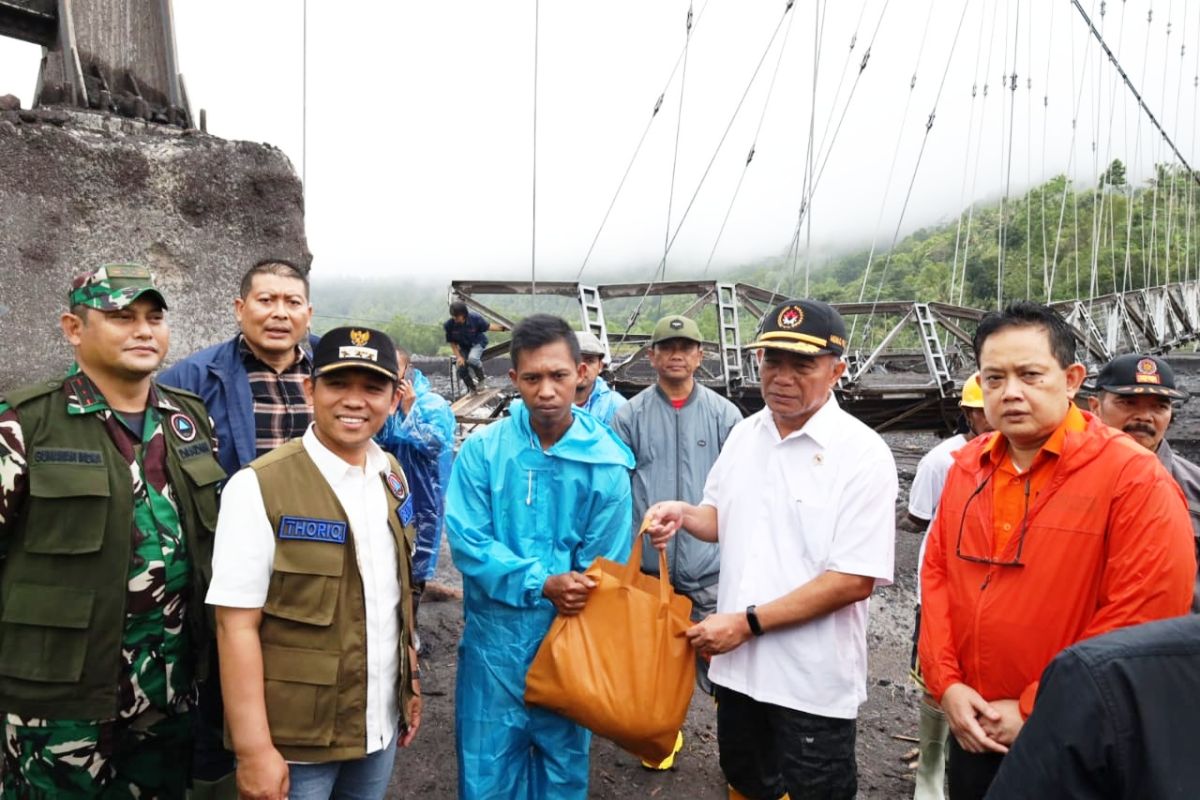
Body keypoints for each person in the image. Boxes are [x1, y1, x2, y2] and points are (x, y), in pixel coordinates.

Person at [918, 301, 1196, 800]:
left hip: (1076, 735)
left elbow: (1143, 614)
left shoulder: (1132, 479)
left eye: (1030, 374)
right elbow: (937, 578)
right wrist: (948, 686)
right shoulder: (967, 468)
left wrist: (1036, 708)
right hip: (973, 723)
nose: (1011, 393)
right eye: (994, 378)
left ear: (1071, 379)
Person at [646, 299, 898, 800]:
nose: (782, 377)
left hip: (810, 680)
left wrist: (747, 623)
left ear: (837, 370)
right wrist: (683, 512)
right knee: (744, 781)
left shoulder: (863, 453)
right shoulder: (745, 434)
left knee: (815, 790)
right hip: (739, 672)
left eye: (802, 364)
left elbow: (854, 579)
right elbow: (721, 518)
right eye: (771, 361)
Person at [0, 264, 224, 798]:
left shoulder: (188, 422)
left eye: (154, 317)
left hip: (169, 697)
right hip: (56, 703)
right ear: (73, 328)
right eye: (122, 316)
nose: (144, 330)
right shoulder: (24, 424)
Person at [207, 327, 421, 800]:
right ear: (310, 389)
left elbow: (396, 597)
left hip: (377, 726)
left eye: (372, 388)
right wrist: (254, 750)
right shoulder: (259, 487)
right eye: (338, 384)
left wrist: (410, 684)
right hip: (295, 743)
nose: (355, 401)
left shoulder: (392, 475)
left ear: (392, 398)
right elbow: (235, 626)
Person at [445, 313, 634, 799]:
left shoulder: (606, 464)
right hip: (494, 649)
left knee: (562, 769)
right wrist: (541, 582)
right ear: (514, 380)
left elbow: (605, 567)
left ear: (582, 373)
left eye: (559, 375)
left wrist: (579, 587)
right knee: (487, 771)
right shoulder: (484, 451)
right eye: (532, 377)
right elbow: (469, 539)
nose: (546, 390)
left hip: (569, 643)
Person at [158, 257, 315, 796]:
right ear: (240, 308)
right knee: (219, 697)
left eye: (291, 302)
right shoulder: (190, 380)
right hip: (223, 569)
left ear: (308, 314)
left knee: (307, 690)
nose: (279, 313)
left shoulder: (331, 376)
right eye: (266, 300)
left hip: (315, 569)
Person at [610, 313, 742, 769]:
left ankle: (740, 753)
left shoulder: (726, 416)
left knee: (725, 663)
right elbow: (617, 488)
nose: (677, 355)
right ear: (652, 357)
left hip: (709, 564)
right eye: (667, 347)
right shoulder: (629, 416)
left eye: (686, 347)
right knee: (656, 664)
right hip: (653, 566)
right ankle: (663, 738)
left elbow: (741, 492)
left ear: (700, 356)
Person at [985, 615, 1200, 800]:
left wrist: (1028, 708)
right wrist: (950, 683)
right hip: (993, 718)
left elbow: (1140, 605)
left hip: (1072, 706)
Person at [906, 372, 993, 800]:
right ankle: (930, 769)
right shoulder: (944, 460)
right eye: (982, 409)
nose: (992, 416)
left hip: (995, 591)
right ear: (968, 412)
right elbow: (919, 516)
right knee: (936, 678)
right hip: (943, 586)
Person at [1087, 353, 1200, 611]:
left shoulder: (1194, 489)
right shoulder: (1059, 478)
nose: (1145, 417)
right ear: (1095, 406)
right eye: (1128, 402)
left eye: (1160, 406)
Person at [375, 345, 459, 624]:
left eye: (394, 372)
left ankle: (410, 631)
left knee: (416, 562)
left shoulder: (432, 403)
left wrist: (410, 411)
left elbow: (436, 444)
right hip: (386, 490)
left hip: (423, 496)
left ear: (407, 372)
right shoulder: (383, 401)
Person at [444, 300, 505, 395]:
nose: (454, 318)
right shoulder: (449, 325)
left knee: (472, 359)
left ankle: (482, 379)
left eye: (457, 316)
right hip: (464, 347)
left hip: (478, 343)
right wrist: (459, 357)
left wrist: (505, 328)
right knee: (461, 368)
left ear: (463, 314)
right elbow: (452, 343)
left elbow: (488, 327)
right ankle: (472, 388)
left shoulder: (475, 319)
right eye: (453, 316)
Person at [573, 330, 626, 425]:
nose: (581, 367)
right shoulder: (547, 403)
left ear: (600, 366)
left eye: (589, 360)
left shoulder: (616, 407)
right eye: (575, 359)